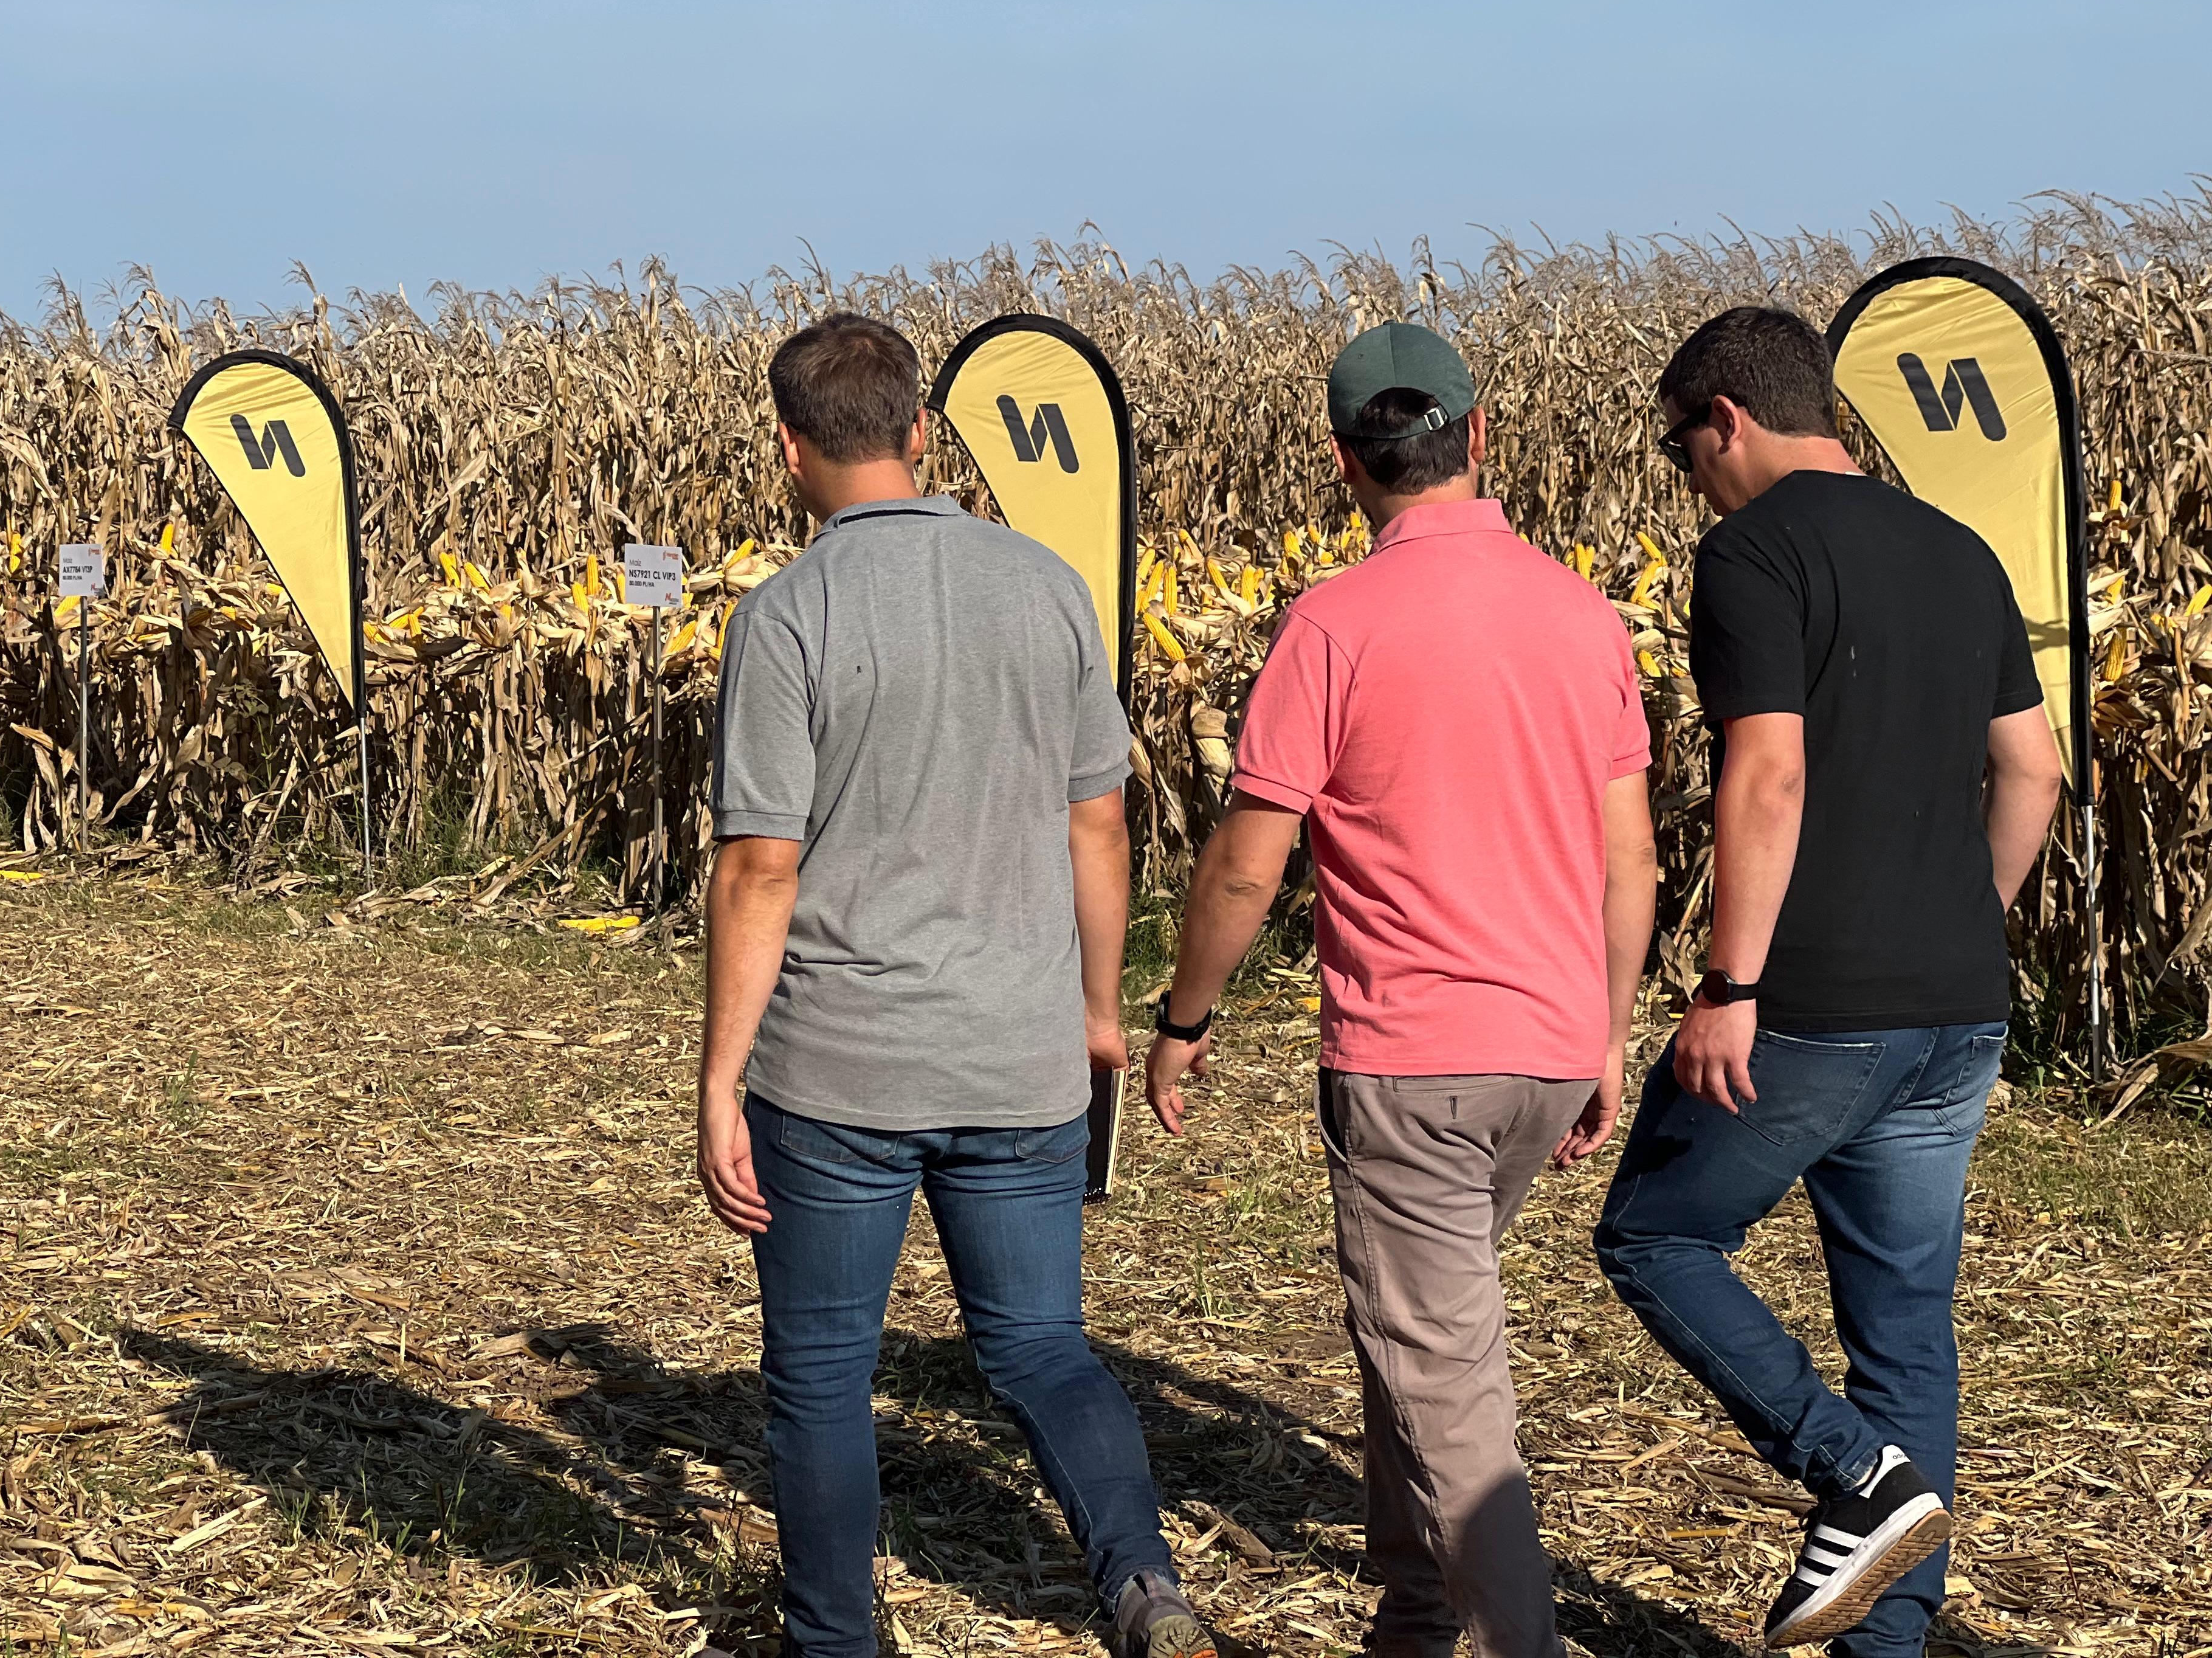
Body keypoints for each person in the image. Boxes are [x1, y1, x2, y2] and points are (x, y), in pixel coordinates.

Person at [695, 312, 1213, 1658]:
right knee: (1042, 1349)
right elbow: (1099, 823)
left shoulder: (786, 616)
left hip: (839, 1070)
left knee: (821, 1378)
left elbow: (759, 867)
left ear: (791, 448)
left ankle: (836, 1642)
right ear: (924, 431)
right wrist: (1100, 1011)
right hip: (1019, 1053)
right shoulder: (1044, 585)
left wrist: (716, 1081)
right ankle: (1145, 1587)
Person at [1148, 321, 1659, 1658]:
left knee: (1444, 1376)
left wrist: (1184, 1019)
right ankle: (1416, 1617)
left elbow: (1248, 866)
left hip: (1412, 1064)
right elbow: (1631, 858)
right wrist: (1610, 1031)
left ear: (1342, 463)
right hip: (1546, 1055)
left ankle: (1510, 1641)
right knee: (1418, 1331)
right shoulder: (1580, 612)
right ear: (1478, 436)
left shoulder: (1334, 624)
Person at [1592, 306, 2064, 1652]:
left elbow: (1771, 771)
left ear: (1727, 420)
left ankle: (1851, 1473)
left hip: (1809, 1006)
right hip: (1958, 1007)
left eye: (1686, 449)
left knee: (1657, 1237)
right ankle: (1887, 1637)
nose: (1689, 476)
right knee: (1906, 1330)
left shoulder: (1752, 554)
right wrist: (1965, 925)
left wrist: (1729, 982)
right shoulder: (1960, 549)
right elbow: (2030, 770)